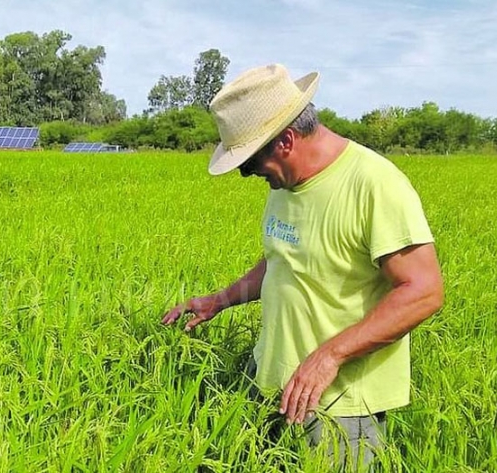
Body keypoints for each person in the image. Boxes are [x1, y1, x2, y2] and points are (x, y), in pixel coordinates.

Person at [161, 64, 444, 466]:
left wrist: (329, 356)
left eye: (250, 163)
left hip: (339, 404)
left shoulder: (375, 184)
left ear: (286, 141)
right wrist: (219, 301)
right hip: (275, 383)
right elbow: (283, 260)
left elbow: (424, 291)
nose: (248, 174)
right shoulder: (286, 182)